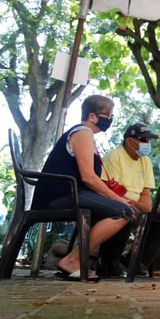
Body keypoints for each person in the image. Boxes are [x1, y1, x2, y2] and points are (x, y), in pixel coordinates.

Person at [32, 95, 134, 281]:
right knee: (122, 211)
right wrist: (116, 199)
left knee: (127, 212)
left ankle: (108, 266)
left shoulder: (87, 136)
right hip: (58, 196)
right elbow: (88, 177)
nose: (110, 120)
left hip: (72, 193)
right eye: (107, 115)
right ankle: (72, 260)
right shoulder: (82, 133)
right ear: (93, 116)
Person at [98, 123, 160, 278]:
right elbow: (108, 190)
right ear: (129, 140)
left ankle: (136, 260)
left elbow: (146, 196)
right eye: (143, 139)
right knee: (126, 210)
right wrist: (135, 204)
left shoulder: (145, 161)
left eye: (148, 140)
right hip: (115, 202)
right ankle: (109, 263)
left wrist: (141, 205)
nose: (147, 144)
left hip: (136, 204)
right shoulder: (115, 156)